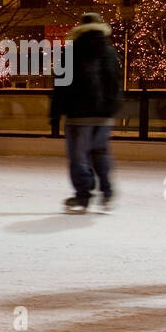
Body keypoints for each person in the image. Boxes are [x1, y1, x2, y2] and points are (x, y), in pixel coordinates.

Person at [52, 12, 123, 213]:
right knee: (101, 153)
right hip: (103, 115)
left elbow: (61, 85)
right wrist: (112, 108)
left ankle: (83, 196)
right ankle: (107, 194)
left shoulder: (71, 52)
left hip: (79, 115)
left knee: (79, 157)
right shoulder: (110, 52)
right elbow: (115, 82)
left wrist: (55, 112)